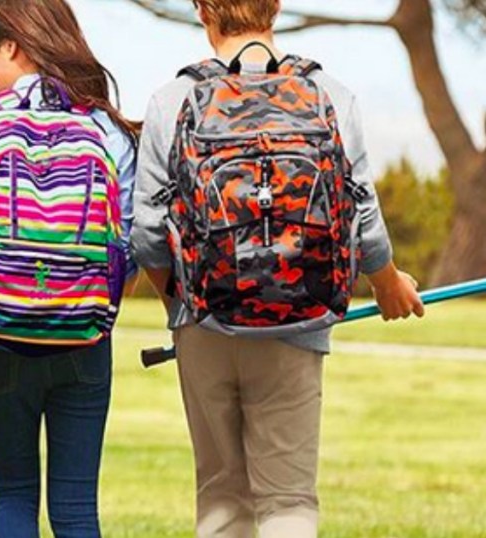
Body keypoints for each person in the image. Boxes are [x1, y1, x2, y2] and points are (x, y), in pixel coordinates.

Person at [130, 1, 425, 537]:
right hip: (300, 322)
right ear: (277, 6)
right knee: (288, 500)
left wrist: (184, 300)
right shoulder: (328, 95)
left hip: (204, 323)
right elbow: (363, 215)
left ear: (201, 11)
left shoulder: (173, 100)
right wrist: (388, 285)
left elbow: (147, 236)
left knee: (222, 498)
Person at [0, 1, 140, 536]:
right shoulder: (106, 128)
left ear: (10, 46)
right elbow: (128, 243)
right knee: (76, 508)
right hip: (84, 337)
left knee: (12, 496)